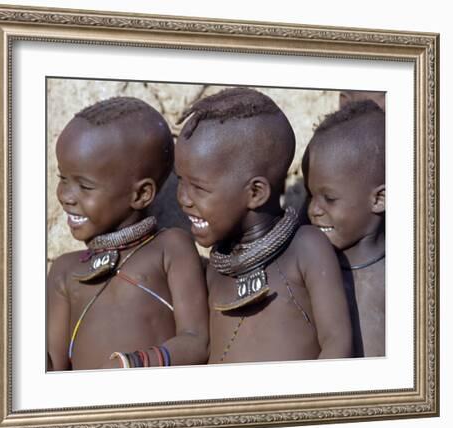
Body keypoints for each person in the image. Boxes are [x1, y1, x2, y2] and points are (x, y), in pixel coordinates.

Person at [174, 87, 352, 363]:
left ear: (255, 193)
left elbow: (337, 343)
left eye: (198, 187)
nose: (183, 198)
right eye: (179, 181)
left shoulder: (306, 248)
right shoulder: (218, 267)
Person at [47, 97, 209, 371]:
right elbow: (54, 366)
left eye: (84, 186)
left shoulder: (169, 248)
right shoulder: (64, 270)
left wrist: (136, 365)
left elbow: (197, 341)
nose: (65, 196)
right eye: (63, 178)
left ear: (141, 194)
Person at [303, 100, 385, 357]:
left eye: (329, 199)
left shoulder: (410, 276)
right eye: (310, 196)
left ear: (379, 199)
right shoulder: (307, 266)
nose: (314, 210)